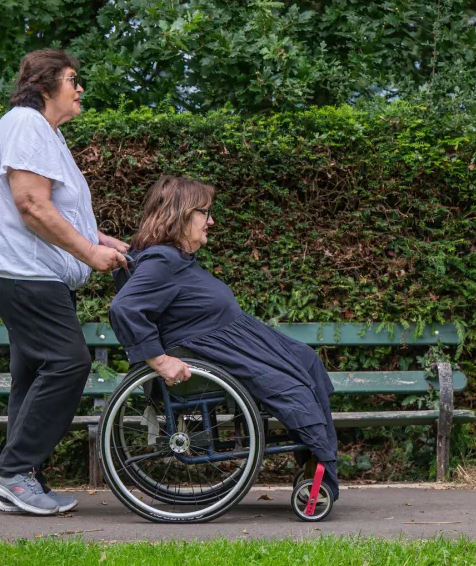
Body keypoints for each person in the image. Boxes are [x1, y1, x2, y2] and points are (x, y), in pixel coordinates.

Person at [108, 175, 340, 499]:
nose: (211, 221)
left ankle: (315, 464)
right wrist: (158, 360)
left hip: (236, 346)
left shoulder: (175, 259)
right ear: (182, 214)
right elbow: (125, 308)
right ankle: (318, 469)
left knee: (307, 361)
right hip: (217, 356)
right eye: (205, 212)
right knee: (293, 387)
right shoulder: (163, 260)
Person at [0, 49, 129, 515]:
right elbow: (32, 206)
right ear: (44, 86)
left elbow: (55, 207)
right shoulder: (26, 126)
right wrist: (88, 252)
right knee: (68, 363)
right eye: (72, 79)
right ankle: (14, 472)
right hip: (25, 274)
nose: (80, 89)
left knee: (33, 374)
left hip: (27, 273)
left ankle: (22, 479)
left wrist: (101, 239)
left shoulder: (45, 133)